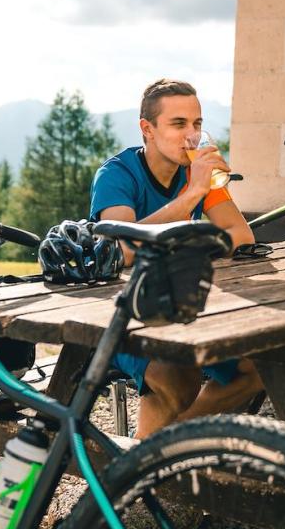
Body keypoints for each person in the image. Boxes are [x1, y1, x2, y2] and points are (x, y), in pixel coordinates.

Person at [90, 78, 263, 438]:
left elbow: (241, 235)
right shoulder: (117, 174)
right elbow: (119, 248)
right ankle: (157, 459)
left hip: (181, 302)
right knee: (178, 376)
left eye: (197, 124)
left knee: (261, 366)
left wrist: (191, 228)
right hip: (121, 313)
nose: (191, 136)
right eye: (178, 124)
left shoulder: (198, 172)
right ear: (147, 129)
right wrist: (191, 197)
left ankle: (167, 447)